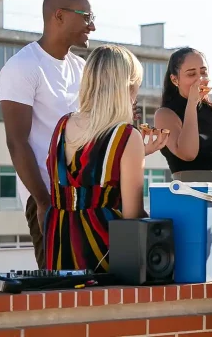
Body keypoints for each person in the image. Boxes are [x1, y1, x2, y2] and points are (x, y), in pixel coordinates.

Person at [44, 45, 168, 271]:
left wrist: (139, 153)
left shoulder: (62, 125)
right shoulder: (126, 135)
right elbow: (133, 216)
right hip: (103, 251)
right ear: (126, 87)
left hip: (60, 244)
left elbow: (82, 176)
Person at [0, 0, 95, 269]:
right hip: (48, 198)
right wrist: (43, 202)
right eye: (87, 16)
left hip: (83, 197)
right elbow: (17, 142)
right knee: (57, 289)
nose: (92, 25)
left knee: (91, 287)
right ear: (60, 16)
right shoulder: (23, 67)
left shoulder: (81, 68)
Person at [153, 47, 212, 274]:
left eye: (203, 72)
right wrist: (191, 105)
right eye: (191, 74)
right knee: (193, 273)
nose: (199, 79)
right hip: (190, 196)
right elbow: (187, 153)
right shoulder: (165, 114)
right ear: (174, 79)